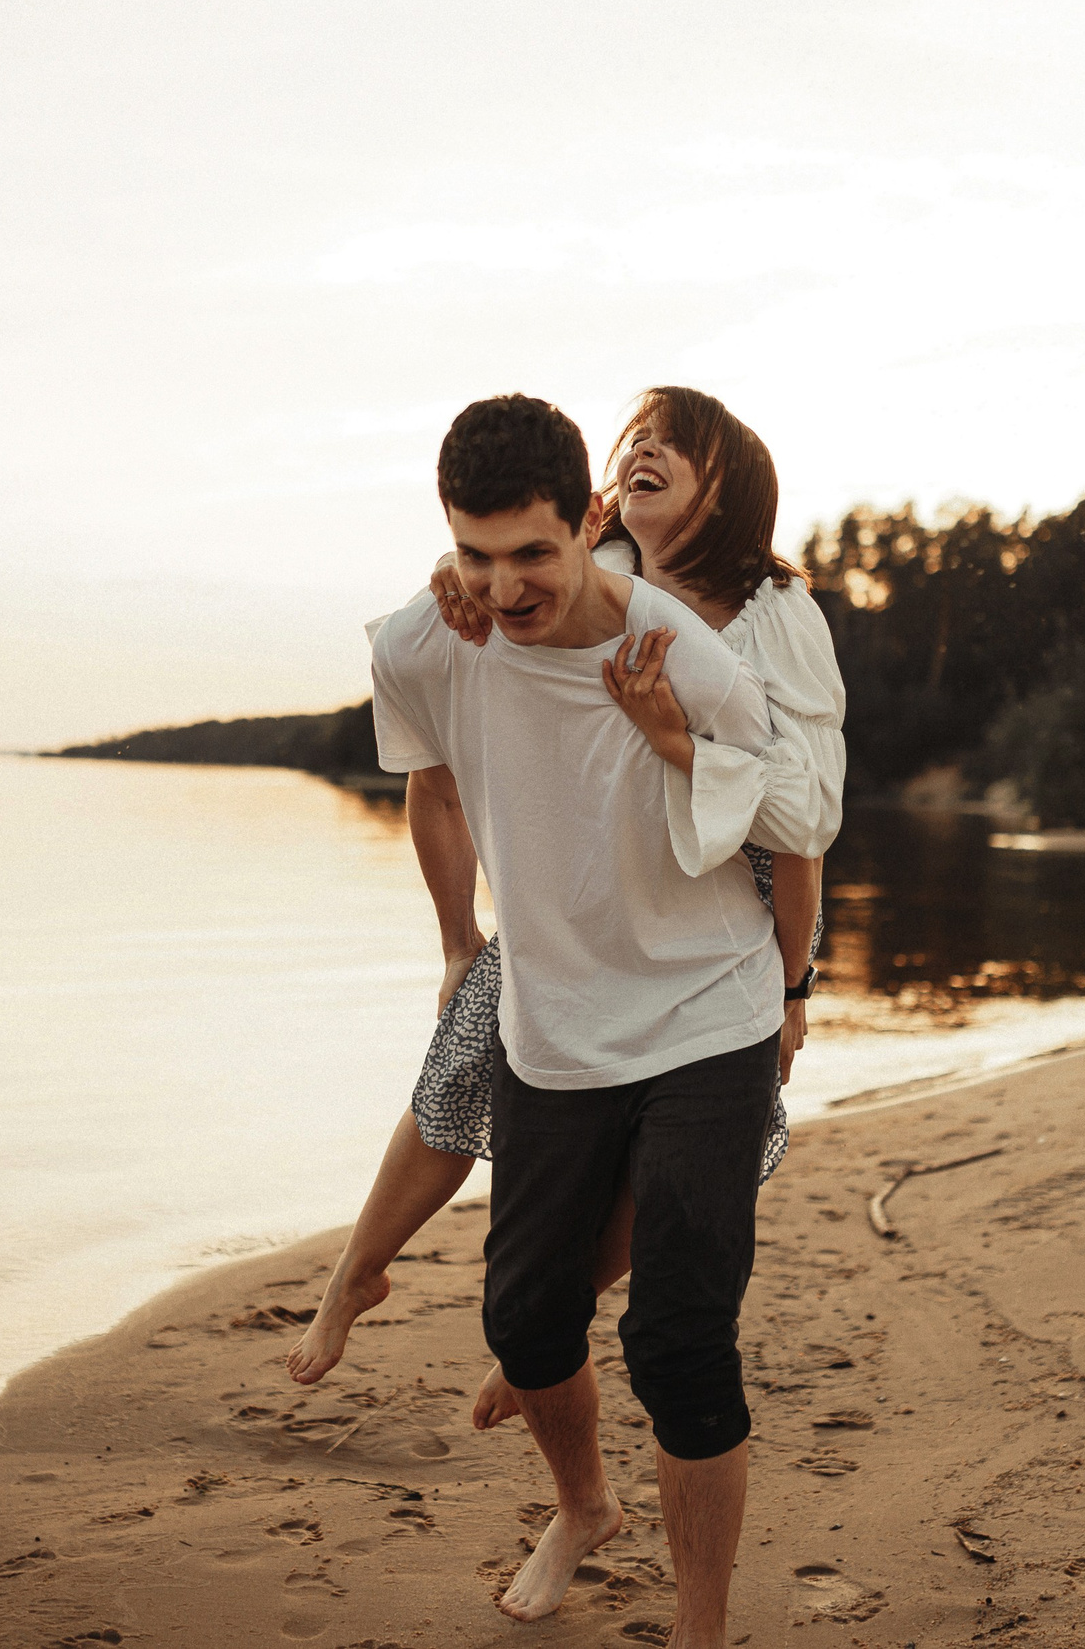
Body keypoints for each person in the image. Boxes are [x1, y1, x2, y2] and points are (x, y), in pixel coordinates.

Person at [287, 386, 845, 1408]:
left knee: (677, 1136)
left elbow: (803, 816)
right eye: (630, 441)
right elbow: (500, 598)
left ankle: (547, 1319)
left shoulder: (776, 613)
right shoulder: (596, 571)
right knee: (465, 1048)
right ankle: (371, 1274)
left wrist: (795, 982)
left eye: (668, 446)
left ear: (731, 484)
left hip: (749, 866)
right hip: (598, 878)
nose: (639, 454)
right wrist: (456, 582)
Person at [364, 393, 797, 1642]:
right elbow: (433, 783)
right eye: (472, 554)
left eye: (531, 554)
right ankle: (584, 1505)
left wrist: (795, 994)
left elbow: (775, 806)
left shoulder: (682, 650)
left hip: (709, 1006)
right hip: (554, 1017)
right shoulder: (422, 642)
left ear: (589, 522)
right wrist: (458, 945)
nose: (502, 587)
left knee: (677, 1341)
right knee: (525, 1313)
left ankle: (701, 1629)